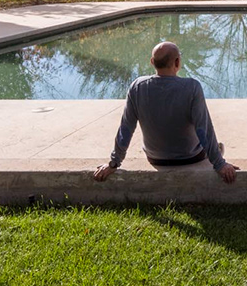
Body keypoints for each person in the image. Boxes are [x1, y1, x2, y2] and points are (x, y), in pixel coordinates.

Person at [93, 41, 239, 183]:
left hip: (155, 158)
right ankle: (216, 153)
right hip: (190, 157)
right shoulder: (192, 87)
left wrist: (114, 162)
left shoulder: (137, 87)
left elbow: (126, 128)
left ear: (152, 62)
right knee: (218, 146)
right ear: (177, 62)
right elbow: (203, 129)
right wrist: (219, 163)